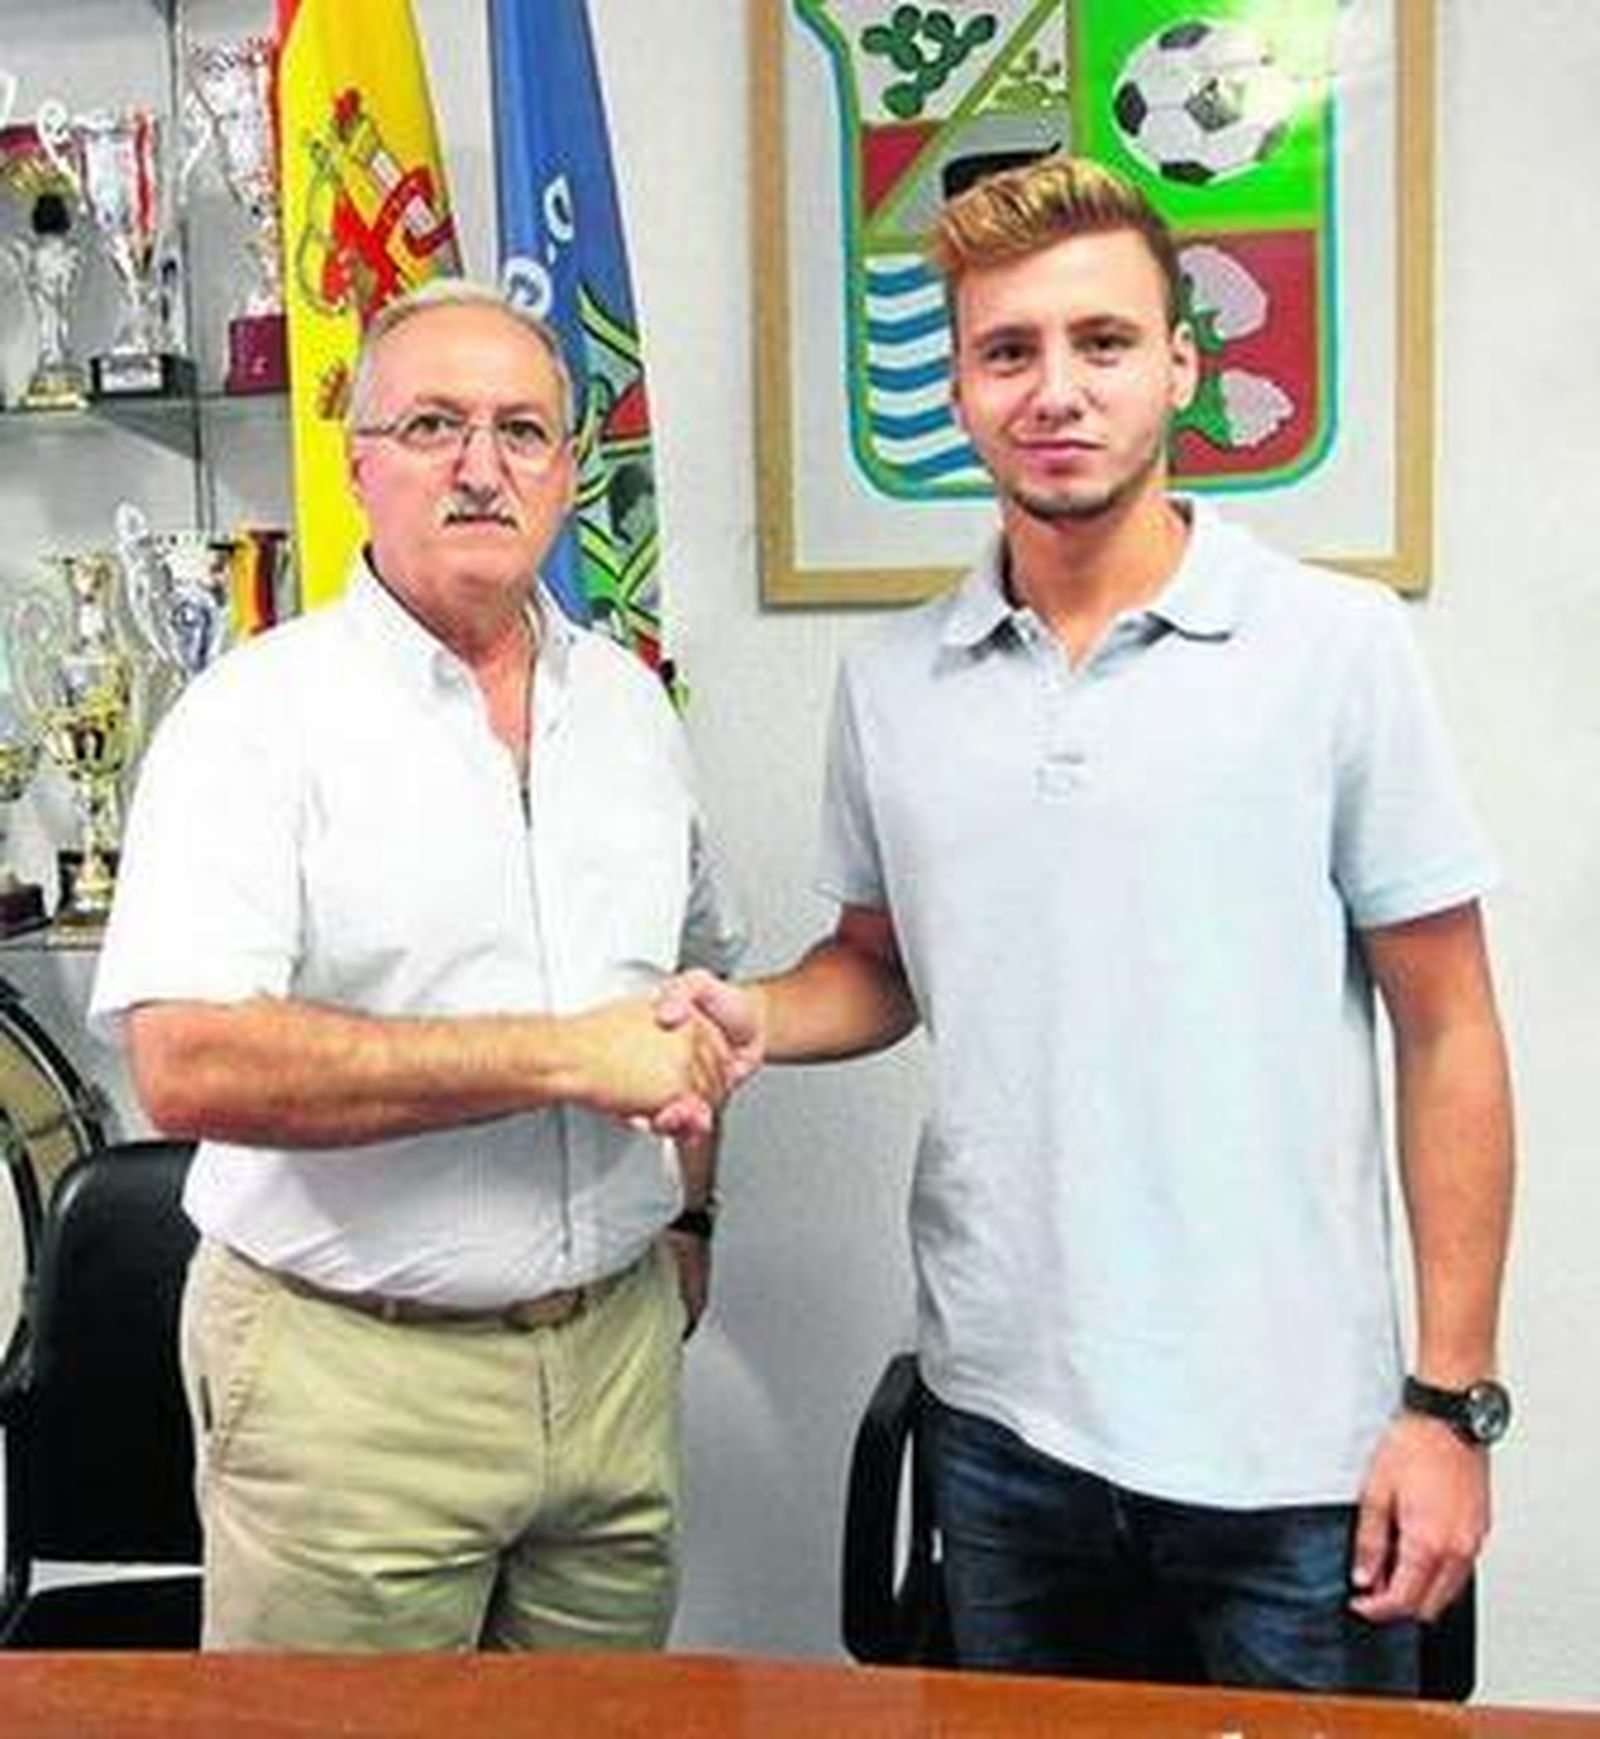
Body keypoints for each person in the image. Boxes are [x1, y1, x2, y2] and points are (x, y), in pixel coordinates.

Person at [662, 156, 1515, 1694]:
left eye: (1102, 342)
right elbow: (878, 963)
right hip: (1003, 1436)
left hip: (1295, 1455)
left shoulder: (1336, 649)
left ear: (1180, 365)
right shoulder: (894, 682)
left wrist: (1451, 1405)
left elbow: (1449, 1027)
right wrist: (756, 1017)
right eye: (1009, 351)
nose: (1056, 389)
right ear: (959, 389)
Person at [89, 278, 745, 1652]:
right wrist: (558, 1057)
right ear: (360, 463)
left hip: (612, 1368)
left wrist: (690, 1224)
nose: (480, 467)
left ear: (567, 471)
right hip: (352, 1383)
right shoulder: (253, 719)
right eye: (434, 424)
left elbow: (697, 993)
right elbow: (187, 1064)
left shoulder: (633, 710)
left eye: (522, 431)